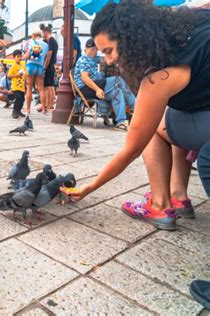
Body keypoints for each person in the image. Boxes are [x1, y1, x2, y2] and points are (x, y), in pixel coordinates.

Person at [66, 0, 210, 231]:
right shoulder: (189, 27)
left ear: (131, 38)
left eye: (109, 51)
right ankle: (178, 195)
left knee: (153, 127)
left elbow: (131, 149)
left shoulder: (159, 79)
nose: (109, 60)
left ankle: (160, 204)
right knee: (174, 115)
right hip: (200, 113)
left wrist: (88, 188)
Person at [73, 38, 135, 131]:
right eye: (95, 49)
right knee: (117, 80)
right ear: (90, 49)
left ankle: (121, 122)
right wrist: (97, 89)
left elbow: (107, 60)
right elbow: (85, 78)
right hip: (84, 88)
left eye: (96, 49)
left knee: (117, 93)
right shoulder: (84, 59)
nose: (96, 51)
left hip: (90, 87)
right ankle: (136, 107)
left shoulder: (93, 58)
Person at [24, 31, 48, 113]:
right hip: (40, 67)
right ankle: (44, 109)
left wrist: (23, 57)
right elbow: (46, 57)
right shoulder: (45, 45)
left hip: (30, 65)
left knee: (29, 88)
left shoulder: (31, 42)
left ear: (34, 35)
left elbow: (27, 56)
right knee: (41, 89)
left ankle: (28, 109)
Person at [41, 23, 59, 113]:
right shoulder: (53, 41)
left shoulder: (50, 40)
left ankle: (48, 105)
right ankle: (50, 105)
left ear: (46, 32)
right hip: (52, 65)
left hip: (49, 66)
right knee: (50, 86)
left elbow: (49, 54)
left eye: (43, 32)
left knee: (47, 87)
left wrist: (44, 67)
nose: (42, 34)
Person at [8, 49, 27, 118]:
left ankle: (19, 111)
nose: (19, 58)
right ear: (14, 57)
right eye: (17, 56)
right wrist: (17, 75)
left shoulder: (23, 66)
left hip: (22, 86)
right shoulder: (13, 66)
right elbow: (9, 76)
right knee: (18, 98)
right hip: (15, 86)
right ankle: (14, 111)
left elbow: (25, 75)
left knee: (22, 99)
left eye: (20, 56)